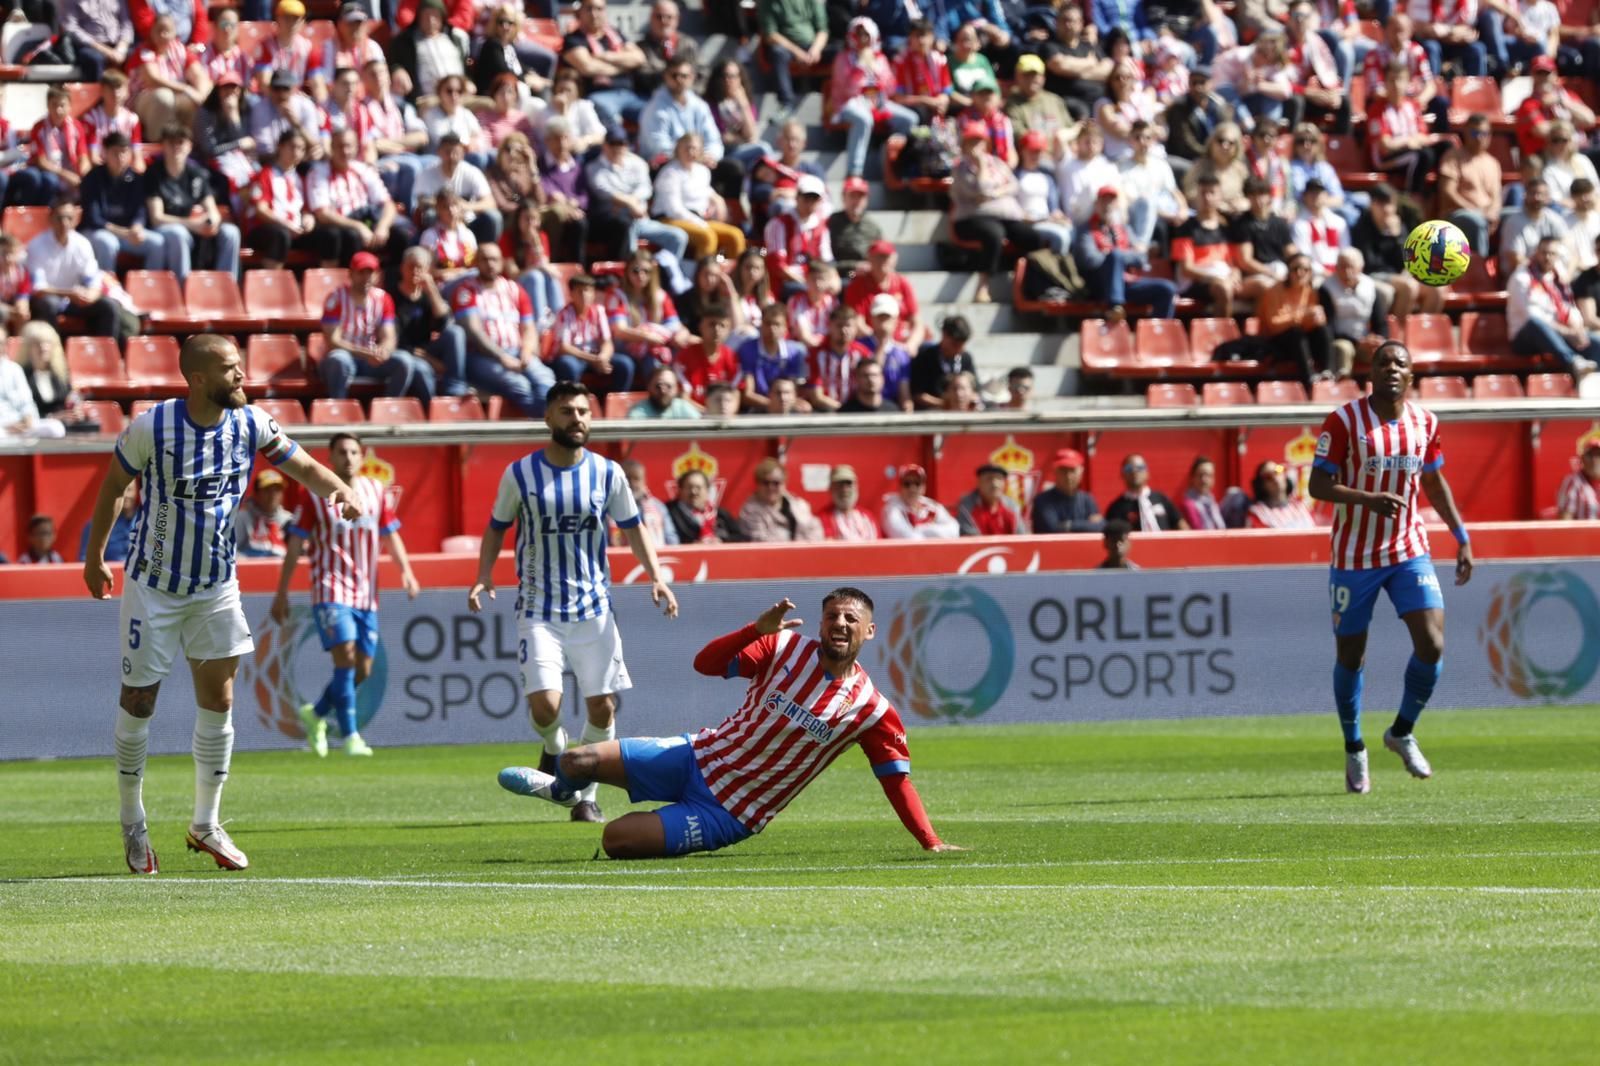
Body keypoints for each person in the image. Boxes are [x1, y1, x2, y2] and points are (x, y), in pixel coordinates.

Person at [82, 333, 362, 874]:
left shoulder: (251, 422)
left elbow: (302, 465)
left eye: (240, 366)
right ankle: (132, 822)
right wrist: (95, 558)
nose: (242, 375)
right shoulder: (153, 427)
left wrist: (338, 490)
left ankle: (205, 823)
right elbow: (114, 486)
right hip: (154, 587)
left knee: (221, 700)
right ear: (199, 378)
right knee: (139, 702)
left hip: (215, 585)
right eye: (230, 368)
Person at [497, 590, 959, 857]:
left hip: (730, 812)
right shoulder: (782, 648)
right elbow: (705, 663)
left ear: (869, 632)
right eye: (832, 616)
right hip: (695, 756)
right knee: (576, 760)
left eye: (851, 619)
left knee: (615, 839)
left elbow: (897, 782)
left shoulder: (871, 709)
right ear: (819, 623)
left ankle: (633, 813)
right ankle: (560, 791)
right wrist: (754, 631)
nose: (840, 624)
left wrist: (931, 841)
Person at [467, 381, 678, 823]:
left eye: (583, 411)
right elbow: (496, 526)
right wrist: (484, 575)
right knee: (546, 705)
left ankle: (586, 797)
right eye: (567, 411)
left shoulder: (608, 473)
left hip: (593, 608)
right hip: (538, 607)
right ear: (548, 418)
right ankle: (556, 750)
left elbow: (634, 527)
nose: (576, 418)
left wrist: (657, 576)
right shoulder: (520, 474)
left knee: (601, 706)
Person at [1308, 340, 1473, 794]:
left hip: (1407, 549)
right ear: (1371, 372)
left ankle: (1401, 731)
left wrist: (1461, 537)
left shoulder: (1425, 422)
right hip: (1354, 557)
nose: (1392, 369)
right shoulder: (1344, 421)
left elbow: (1435, 485)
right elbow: (1318, 484)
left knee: (1433, 643)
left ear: (1412, 375)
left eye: (1400, 363)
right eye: (1383, 363)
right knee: (1351, 656)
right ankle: (1354, 746)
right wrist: (1366, 499)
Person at [273, 433, 420, 758]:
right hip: (330, 587)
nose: (349, 457)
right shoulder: (315, 495)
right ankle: (351, 737)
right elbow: (296, 543)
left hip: (366, 593)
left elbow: (390, 534)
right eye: (342, 452)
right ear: (331, 457)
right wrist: (281, 591)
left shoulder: (375, 492)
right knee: (346, 656)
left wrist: (406, 571)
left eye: (354, 451)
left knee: (362, 669)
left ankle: (316, 713)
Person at [950, 122, 1046, 304]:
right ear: (964, 145)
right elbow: (980, 189)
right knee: (994, 234)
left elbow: (1013, 185)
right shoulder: (960, 168)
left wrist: (995, 193)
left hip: (1005, 215)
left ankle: (1029, 285)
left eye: (979, 142)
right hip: (971, 218)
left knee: (1032, 237)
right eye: (971, 142)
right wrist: (982, 168)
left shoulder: (998, 163)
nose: (976, 147)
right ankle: (983, 286)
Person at [321, 251, 433, 401]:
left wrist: (383, 351)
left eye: (371, 273)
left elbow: (389, 336)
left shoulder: (383, 299)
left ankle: (388, 408)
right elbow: (333, 342)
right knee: (339, 360)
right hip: (347, 355)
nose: (366, 278)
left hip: (371, 359)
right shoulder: (336, 298)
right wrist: (366, 353)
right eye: (361, 273)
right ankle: (339, 408)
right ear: (351, 274)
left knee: (404, 361)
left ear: (377, 275)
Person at [145, 124, 240, 281]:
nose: (176, 147)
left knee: (231, 233)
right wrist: (192, 224)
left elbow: (212, 209)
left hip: (193, 226)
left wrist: (211, 222)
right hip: (165, 229)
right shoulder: (154, 174)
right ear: (163, 146)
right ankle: (184, 289)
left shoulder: (196, 173)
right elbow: (157, 218)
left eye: (181, 142)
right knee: (178, 233)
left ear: (189, 146)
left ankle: (227, 287)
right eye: (171, 143)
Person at [829, 17, 920, 180]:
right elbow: (846, 90)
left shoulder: (880, 58)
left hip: (878, 102)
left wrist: (875, 69)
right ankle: (854, 172)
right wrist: (859, 68)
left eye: (866, 35)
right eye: (859, 35)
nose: (863, 39)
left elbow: (891, 88)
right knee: (864, 119)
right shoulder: (843, 58)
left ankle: (887, 150)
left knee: (910, 119)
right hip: (849, 103)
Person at [307, 128, 413, 266]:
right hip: (341, 225)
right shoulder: (319, 173)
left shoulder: (363, 170)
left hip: (366, 222)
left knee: (401, 236)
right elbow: (323, 214)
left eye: (348, 146)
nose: (345, 151)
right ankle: (350, 283)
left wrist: (383, 227)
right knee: (350, 236)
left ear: (356, 148)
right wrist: (358, 226)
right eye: (340, 146)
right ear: (332, 147)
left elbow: (388, 204)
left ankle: (392, 280)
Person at [588, 127, 692, 267]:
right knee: (631, 246)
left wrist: (632, 202)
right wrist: (631, 204)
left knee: (679, 237)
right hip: (617, 222)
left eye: (622, 144)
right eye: (613, 143)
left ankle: (660, 272)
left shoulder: (637, 163)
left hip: (641, 220)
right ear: (605, 145)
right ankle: (633, 279)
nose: (618, 148)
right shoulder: (594, 167)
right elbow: (602, 191)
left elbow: (646, 188)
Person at [1072, 186, 1178, 321]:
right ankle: (1115, 308)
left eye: (1111, 202)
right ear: (1096, 204)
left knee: (1167, 289)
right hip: (1101, 285)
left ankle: (1158, 334)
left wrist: (1118, 256)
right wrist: (1116, 257)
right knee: (1115, 255)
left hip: (1126, 282)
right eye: (1104, 202)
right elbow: (1089, 260)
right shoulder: (1086, 230)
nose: (1108, 206)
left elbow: (1141, 258)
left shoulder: (1124, 229)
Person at [27, 198, 122, 343]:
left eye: (69, 218)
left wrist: (92, 294)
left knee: (108, 306)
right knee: (48, 304)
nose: (64, 223)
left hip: (75, 299)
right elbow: (38, 289)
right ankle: (55, 353)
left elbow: (93, 279)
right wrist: (69, 294)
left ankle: (104, 355)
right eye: (60, 218)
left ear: (76, 220)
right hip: (51, 298)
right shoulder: (37, 245)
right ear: (50, 219)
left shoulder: (82, 244)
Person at [1507, 235, 1600, 377]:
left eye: (1553, 254)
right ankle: (1573, 362)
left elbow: (1569, 307)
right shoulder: (1522, 277)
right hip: (1525, 338)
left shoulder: (1557, 277)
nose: (1548, 257)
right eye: (1544, 253)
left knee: (1594, 341)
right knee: (1535, 323)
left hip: (1559, 333)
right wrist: (1567, 333)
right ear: (1536, 253)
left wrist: (1576, 330)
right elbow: (1532, 317)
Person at [1351, 183, 1439, 319]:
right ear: (1372, 204)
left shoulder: (1398, 226)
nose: (1386, 209)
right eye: (1381, 204)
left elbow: (1407, 259)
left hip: (1398, 274)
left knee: (1436, 288)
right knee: (1408, 287)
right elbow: (1370, 263)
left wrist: (1396, 237)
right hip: (1374, 274)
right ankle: (1399, 335)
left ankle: (1423, 331)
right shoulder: (1362, 227)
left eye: (1390, 204)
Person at [653, 132, 745, 261]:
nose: (690, 152)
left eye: (694, 148)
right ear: (678, 149)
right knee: (707, 237)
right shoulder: (670, 173)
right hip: (670, 220)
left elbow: (705, 191)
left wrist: (717, 200)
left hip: (698, 220)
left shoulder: (702, 171)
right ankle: (703, 277)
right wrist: (698, 222)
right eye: (686, 148)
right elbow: (673, 209)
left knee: (735, 235)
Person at [81, 132, 165, 273]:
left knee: (157, 243)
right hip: (97, 231)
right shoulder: (92, 178)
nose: (120, 157)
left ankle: (147, 288)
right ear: (105, 153)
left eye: (124, 152)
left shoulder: (136, 179)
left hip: (127, 233)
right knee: (107, 243)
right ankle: (107, 289)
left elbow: (141, 210)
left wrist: (137, 227)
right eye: (115, 153)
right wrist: (123, 233)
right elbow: (93, 218)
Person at [393, 245, 469, 398]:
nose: (415, 271)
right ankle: (433, 410)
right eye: (411, 266)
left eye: (420, 267)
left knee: (456, 333)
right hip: (404, 352)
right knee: (423, 369)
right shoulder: (392, 296)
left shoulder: (429, 294)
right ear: (402, 268)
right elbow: (396, 341)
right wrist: (430, 360)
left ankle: (455, 388)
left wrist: (432, 289)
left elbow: (442, 323)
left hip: (426, 347)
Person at [1366, 60, 1448, 195]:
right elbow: (1385, 146)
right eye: (1391, 80)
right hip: (1385, 159)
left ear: (1408, 83)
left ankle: (1443, 195)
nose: (1396, 85)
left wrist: (1412, 141)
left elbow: (1423, 136)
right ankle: (1412, 198)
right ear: (1385, 83)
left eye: (1400, 80)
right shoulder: (1377, 109)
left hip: (1409, 149)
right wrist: (1408, 142)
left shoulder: (1412, 105)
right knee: (1422, 155)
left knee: (1446, 147)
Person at [562, 0, 649, 128]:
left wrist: (605, 56)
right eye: (589, 9)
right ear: (580, 12)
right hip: (598, 95)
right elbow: (588, 67)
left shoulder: (615, 34)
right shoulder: (574, 39)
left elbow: (639, 58)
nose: (594, 14)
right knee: (604, 111)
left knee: (655, 111)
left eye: (599, 9)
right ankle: (618, 144)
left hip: (629, 94)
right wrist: (623, 66)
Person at [9, 86, 93, 208]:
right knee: (50, 180)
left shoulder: (76, 126)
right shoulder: (39, 127)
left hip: (71, 170)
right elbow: (41, 161)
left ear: (69, 106)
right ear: (48, 106)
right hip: (49, 171)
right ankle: (43, 213)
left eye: (62, 105)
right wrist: (67, 175)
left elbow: (83, 155)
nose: (58, 110)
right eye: (54, 105)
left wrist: (84, 175)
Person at [244, 128, 314, 270]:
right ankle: (272, 283)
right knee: (280, 235)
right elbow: (261, 210)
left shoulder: (300, 178)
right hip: (265, 229)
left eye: (301, 148)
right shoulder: (265, 174)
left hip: (294, 229)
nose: (296, 152)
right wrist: (286, 225)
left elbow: (305, 209)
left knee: (329, 237)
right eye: (292, 146)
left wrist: (308, 220)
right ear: (280, 147)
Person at [1174, 175, 1243, 318]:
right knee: (1223, 288)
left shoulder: (1227, 227)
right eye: (1203, 193)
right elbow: (1187, 270)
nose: (1207, 197)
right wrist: (1216, 278)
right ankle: (1224, 336)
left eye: (1212, 193)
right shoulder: (1185, 228)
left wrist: (1235, 274)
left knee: (1262, 287)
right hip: (1196, 282)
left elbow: (1233, 263)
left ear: (1220, 197)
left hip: (1224, 278)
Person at [1435, 113, 1502, 259]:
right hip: (1458, 213)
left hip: (1486, 212)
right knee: (1476, 222)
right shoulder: (1453, 157)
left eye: (1484, 133)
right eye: (1474, 132)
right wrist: (1474, 210)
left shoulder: (1493, 163)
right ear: (1466, 132)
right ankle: (1481, 268)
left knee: (1513, 217)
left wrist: (1493, 214)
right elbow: (1448, 191)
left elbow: (1496, 195)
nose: (1479, 137)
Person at [415, 133, 501, 245]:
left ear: (463, 154)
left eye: (456, 152)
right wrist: (446, 206)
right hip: (439, 223)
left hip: (468, 222)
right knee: (429, 215)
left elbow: (490, 203)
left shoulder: (471, 172)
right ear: (439, 152)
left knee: (493, 217)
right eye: (447, 152)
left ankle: (485, 255)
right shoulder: (427, 173)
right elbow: (421, 201)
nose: (452, 157)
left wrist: (465, 206)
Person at [843, 240, 926, 352]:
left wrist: (912, 344)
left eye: (886, 257)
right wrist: (883, 343)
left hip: (901, 342)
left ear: (894, 259)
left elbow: (916, 321)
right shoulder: (857, 285)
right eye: (878, 257)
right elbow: (858, 323)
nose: (882, 261)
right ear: (869, 259)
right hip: (870, 344)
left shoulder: (902, 283)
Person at [1320, 247, 1390, 379]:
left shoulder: (1370, 287)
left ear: (1360, 268)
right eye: (1342, 267)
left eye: (1351, 267)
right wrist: (1357, 342)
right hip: (1339, 340)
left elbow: (1381, 322)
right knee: (1344, 348)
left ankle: (1381, 390)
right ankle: (1343, 386)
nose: (1347, 272)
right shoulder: (1326, 288)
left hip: (1364, 340)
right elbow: (1328, 327)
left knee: (1383, 349)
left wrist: (1378, 339)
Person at [736, 303, 810, 409]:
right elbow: (748, 394)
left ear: (785, 328)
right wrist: (774, 406)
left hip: (785, 404)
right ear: (761, 325)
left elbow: (795, 390)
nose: (772, 328)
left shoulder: (795, 352)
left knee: (806, 408)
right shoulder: (748, 350)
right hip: (757, 407)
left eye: (777, 324)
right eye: (768, 323)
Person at [1500, 170, 1573, 275]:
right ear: (1525, 195)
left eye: (1542, 194)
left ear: (1548, 197)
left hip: (1551, 276)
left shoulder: (1554, 219)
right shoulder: (1513, 222)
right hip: (1523, 276)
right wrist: (1543, 277)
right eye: (1533, 193)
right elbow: (1516, 259)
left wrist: (1566, 277)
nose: (1537, 198)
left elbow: (1569, 248)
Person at [760, 0, 829, 111]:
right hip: (787, 48)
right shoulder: (768, 3)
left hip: (813, 46)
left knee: (841, 52)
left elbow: (823, 30)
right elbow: (770, 34)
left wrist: (816, 49)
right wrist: (798, 52)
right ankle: (786, 103)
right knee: (778, 53)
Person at [740, 459, 824, 542]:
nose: (771, 487)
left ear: (784, 483)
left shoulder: (799, 506)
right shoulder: (750, 512)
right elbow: (761, 541)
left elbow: (815, 532)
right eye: (766, 483)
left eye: (776, 483)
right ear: (758, 484)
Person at [0, 334, 66, 440]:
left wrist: (28, 418)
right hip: (3, 429)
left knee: (56, 428)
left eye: (1, 343)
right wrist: (5, 426)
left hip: (20, 427)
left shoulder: (14, 369)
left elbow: (27, 403)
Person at [909, 315, 977, 410]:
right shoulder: (925, 356)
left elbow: (975, 391)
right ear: (944, 335)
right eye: (955, 344)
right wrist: (946, 404)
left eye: (962, 345)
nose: (959, 349)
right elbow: (917, 394)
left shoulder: (965, 358)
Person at [636, 0, 701, 98]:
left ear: (677, 19)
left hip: (687, 98)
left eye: (669, 17)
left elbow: (701, 74)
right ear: (651, 19)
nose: (664, 21)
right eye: (659, 17)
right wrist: (676, 76)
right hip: (652, 99)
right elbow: (643, 77)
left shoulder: (689, 45)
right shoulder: (641, 48)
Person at [677, 303, 739, 403]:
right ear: (701, 327)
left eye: (722, 325)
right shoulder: (685, 356)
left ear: (728, 330)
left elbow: (735, 395)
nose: (717, 329)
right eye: (712, 324)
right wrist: (707, 414)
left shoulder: (732, 358)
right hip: (692, 416)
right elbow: (683, 398)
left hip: (723, 415)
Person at [1105, 453, 1185, 530]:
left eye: (1140, 467)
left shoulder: (1161, 498)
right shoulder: (1116, 508)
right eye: (1129, 468)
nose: (1134, 471)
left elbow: (1181, 525)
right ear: (1122, 474)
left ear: (1147, 473)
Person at [667, 468, 748, 542]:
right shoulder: (669, 512)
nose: (694, 492)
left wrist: (721, 540)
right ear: (680, 490)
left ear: (707, 490)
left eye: (698, 487)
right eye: (689, 487)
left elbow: (742, 538)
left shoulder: (720, 513)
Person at [1031, 448, 1101, 533]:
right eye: (1064, 470)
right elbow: (1052, 529)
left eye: (1072, 470)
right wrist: (1087, 525)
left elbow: (1100, 526)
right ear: (1055, 471)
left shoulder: (1087, 500)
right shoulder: (1043, 501)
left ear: (1081, 472)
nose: (1068, 476)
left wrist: (1067, 525)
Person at [881, 463, 959, 538]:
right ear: (900, 487)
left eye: (917, 483)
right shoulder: (891, 509)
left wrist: (925, 529)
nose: (912, 489)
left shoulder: (931, 507)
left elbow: (954, 530)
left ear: (924, 488)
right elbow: (908, 538)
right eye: (907, 484)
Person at [614, 458, 678, 547]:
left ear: (644, 480)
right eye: (627, 478)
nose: (632, 483)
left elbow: (671, 539)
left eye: (636, 479)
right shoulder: (609, 508)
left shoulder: (658, 507)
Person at [234, 468, 293, 557]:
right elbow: (233, 551)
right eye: (267, 490)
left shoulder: (289, 519)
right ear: (256, 493)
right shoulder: (242, 518)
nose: (272, 495)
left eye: (277, 490)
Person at [1247, 460, 1318, 528]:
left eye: (1278, 471)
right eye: (1268, 476)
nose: (1275, 478)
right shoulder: (1258, 513)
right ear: (1261, 485)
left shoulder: (1301, 506)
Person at [956, 464, 1023, 535]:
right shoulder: (967, 507)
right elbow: (968, 537)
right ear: (979, 483)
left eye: (999, 479)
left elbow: (1022, 536)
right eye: (989, 479)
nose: (995, 484)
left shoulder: (1012, 506)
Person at [82, 481, 139, 563]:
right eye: (121, 490)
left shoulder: (147, 521)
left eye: (129, 490)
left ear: (136, 491)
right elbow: (85, 561)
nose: (125, 495)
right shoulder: (97, 525)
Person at [818, 464, 881, 539]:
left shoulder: (867, 516)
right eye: (839, 485)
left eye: (848, 484)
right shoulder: (822, 518)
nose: (844, 490)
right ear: (831, 488)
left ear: (856, 487)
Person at [628, 365, 700, 419]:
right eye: (659, 386)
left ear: (676, 389)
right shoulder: (638, 412)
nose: (663, 391)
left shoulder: (683, 408)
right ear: (649, 387)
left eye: (668, 386)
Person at [1556, 441, 1600, 520]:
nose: (1594, 460)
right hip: (1586, 532)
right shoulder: (1572, 482)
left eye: (1598, 455)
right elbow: (1565, 521)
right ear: (1582, 459)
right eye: (1590, 455)